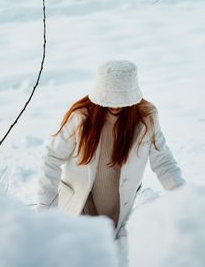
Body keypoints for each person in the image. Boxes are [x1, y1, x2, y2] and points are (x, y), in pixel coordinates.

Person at [36, 60, 186, 265]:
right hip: (78, 211)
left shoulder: (146, 118)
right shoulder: (82, 117)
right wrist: (46, 210)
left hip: (117, 217)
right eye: (110, 99)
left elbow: (164, 162)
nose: (115, 105)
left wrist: (186, 200)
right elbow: (51, 158)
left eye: (122, 100)